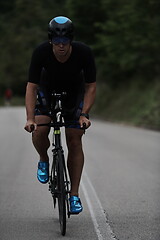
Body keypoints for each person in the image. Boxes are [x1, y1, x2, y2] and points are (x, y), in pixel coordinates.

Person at [24, 16, 96, 214]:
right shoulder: (40, 52)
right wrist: (30, 118)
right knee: (39, 131)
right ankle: (43, 159)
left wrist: (85, 114)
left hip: (75, 92)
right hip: (47, 89)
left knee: (74, 139)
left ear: (71, 40)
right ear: (50, 41)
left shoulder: (84, 52)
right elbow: (31, 87)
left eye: (65, 42)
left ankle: (73, 195)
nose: (61, 46)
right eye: (57, 42)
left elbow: (90, 87)